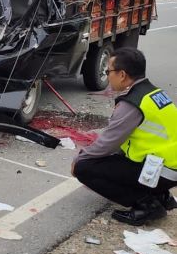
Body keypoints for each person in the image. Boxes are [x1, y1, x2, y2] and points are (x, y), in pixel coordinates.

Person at [72, 47, 177, 226]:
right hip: (168, 167)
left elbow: (108, 143)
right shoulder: (153, 93)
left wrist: (79, 159)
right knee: (115, 158)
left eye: (108, 71)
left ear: (122, 75)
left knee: (84, 167)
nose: (108, 75)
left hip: (162, 171)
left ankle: (146, 204)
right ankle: (161, 195)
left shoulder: (132, 103)